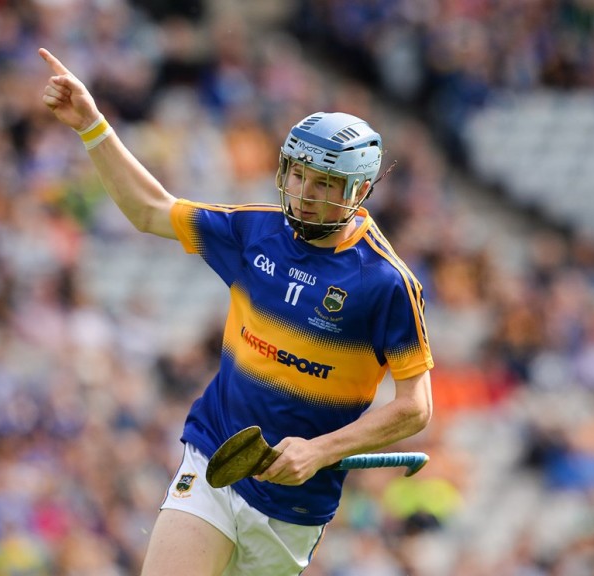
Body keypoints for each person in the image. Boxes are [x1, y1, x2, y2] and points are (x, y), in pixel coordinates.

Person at [38, 48, 434, 575]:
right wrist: (91, 125)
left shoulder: (386, 283)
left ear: (358, 191)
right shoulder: (255, 232)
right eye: (297, 176)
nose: (304, 194)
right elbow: (150, 210)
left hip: (293, 504)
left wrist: (319, 451)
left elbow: (415, 407)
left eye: (324, 184)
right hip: (213, 458)